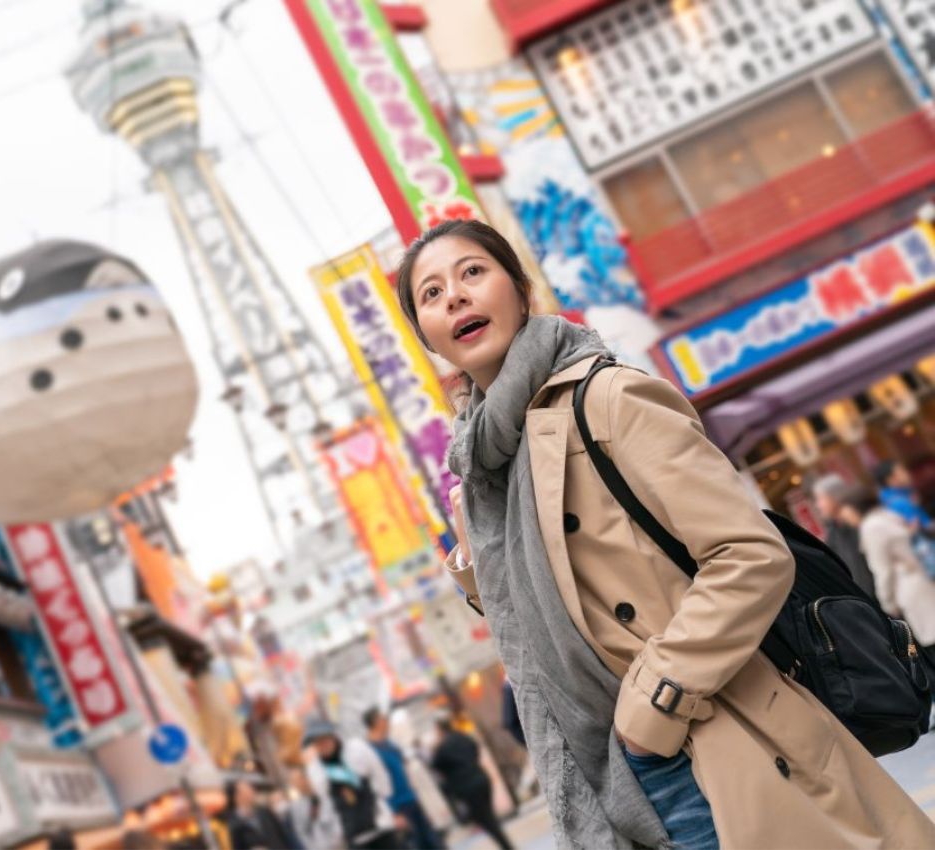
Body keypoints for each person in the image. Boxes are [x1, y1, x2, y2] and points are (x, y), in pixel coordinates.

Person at [395, 218, 935, 849]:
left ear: (519, 288)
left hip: (701, 742)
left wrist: (656, 700)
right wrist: (475, 560)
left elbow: (749, 555)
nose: (454, 296)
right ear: (427, 336)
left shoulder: (607, 399)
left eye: (472, 272)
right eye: (430, 294)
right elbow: (554, 626)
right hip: (611, 778)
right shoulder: (487, 471)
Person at [842, 485, 935, 666]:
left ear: (854, 507)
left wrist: (887, 604)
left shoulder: (871, 528)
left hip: (912, 589)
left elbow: (883, 571)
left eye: (845, 510)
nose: (845, 516)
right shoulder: (887, 515)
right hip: (923, 580)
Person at [302, 718, 403, 850]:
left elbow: (380, 775)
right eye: (317, 743)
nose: (322, 745)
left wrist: (390, 807)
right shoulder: (316, 768)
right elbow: (326, 802)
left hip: (380, 823)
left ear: (333, 736)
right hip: (353, 834)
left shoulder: (356, 748)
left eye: (324, 739)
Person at [362, 706, 445, 850]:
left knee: (433, 842)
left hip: (411, 799)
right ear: (376, 722)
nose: (387, 722)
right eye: (384, 719)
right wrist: (393, 812)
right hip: (398, 807)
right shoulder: (370, 751)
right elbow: (376, 785)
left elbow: (404, 769)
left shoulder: (390, 743)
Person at [429, 715, 513, 850]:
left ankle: (507, 846)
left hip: (467, 787)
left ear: (440, 730)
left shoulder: (442, 747)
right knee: (488, 817)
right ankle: (506, 845)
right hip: (481, 779)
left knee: (486, 820)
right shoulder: (463, 737)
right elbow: (475, 749)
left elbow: (436, 766)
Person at [811, 474, 878, 602]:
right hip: (864, 600)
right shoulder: (833, 531)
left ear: (835, 496)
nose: (818, 505)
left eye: (820, 499)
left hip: (882, 596)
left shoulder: (859, 521)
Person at [285, 766, 346, 850]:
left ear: (305, 778)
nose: (299, 783)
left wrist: (338, 837)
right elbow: (302, 832)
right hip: (320, 846)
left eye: (299, 779)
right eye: (294, 782)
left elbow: (337, 814)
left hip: (340, 842)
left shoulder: (323, 793)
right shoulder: (296, 808)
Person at [223, 779, 294, 850]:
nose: (252, 791)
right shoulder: (233, 825)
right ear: (237, 796)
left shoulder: (265, 812)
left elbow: (283, 836)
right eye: (248, 789)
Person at [874, 459, 933, 531]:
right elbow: (921, 528)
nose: (907, 473)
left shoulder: (901, 493)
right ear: (891, 479)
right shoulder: (899, 502)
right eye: (902, 471)